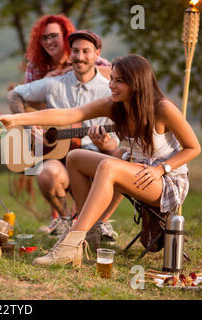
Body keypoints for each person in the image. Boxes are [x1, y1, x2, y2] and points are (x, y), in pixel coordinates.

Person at [0, 54, 201, 268]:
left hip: (166, 181)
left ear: (137, 83)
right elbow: (68, 115)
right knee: (75, 157)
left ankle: (70, 244)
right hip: (136, 171)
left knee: (108, 165)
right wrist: (16, 120)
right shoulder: (114, 105)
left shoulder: (163, 108)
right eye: (111, 78)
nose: (111, 85)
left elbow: (194, 148)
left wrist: (160, 169)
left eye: (118, 81)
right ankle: (91, 233)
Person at [8, 30, 120, 241]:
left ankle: (101, 223)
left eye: (86, 51)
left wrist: (105, 143)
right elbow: (14, 94)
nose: (79, 57)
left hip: (94, 157)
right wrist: (28, 127)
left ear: (97, 54)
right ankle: (67, 220)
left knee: (122, 162)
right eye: (75, 51)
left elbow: (117, 139)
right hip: (60, 159)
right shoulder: (54, 85)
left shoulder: (109, 92)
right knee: (46, 174)